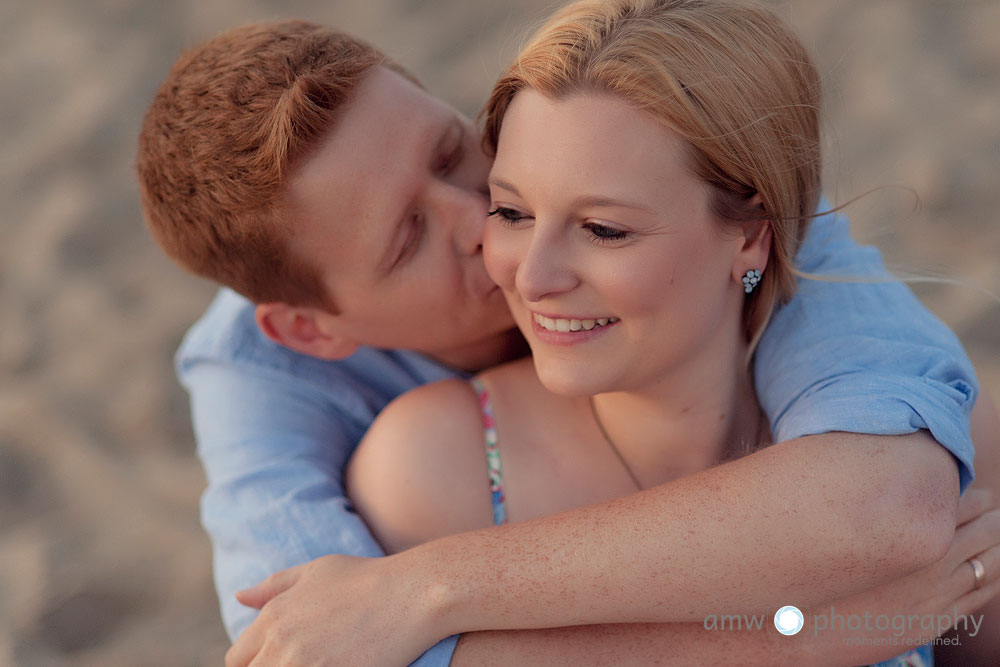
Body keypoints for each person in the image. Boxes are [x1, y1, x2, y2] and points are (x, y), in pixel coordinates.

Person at [134, 11, 989, 667]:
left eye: (453, 154)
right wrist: (793, 638)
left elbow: (890, 503)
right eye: (408, 238)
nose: (488, 230)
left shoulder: (714, 201)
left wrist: (426, 590)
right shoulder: (276, 391)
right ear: (310, 330)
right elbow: (325, 642)